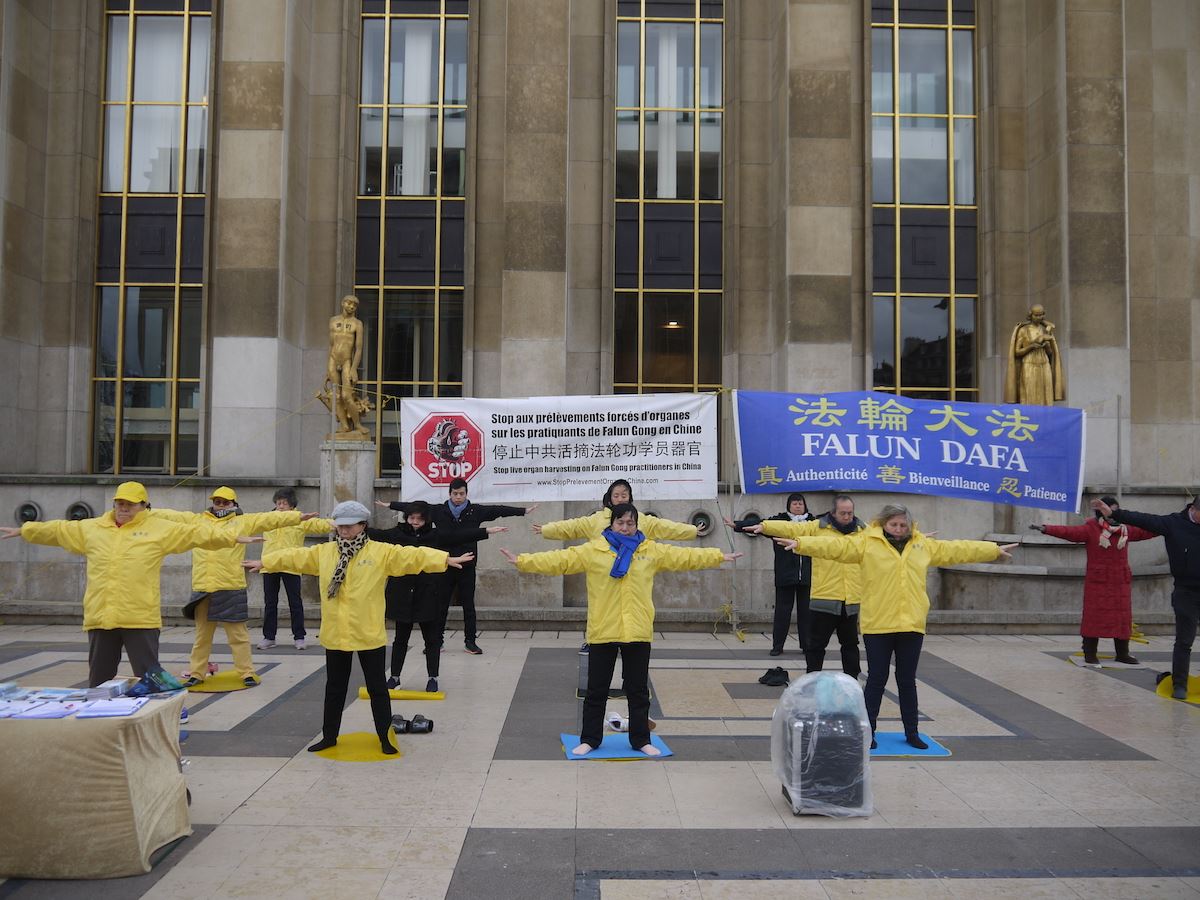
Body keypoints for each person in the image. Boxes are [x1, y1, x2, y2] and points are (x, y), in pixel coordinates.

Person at [501, 503, 742, 756]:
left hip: (637, 630)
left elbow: (684, 557)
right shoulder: (595, 549)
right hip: (603, 629)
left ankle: (641, 740)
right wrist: (523, 561)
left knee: (637, 690)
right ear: (611, 524)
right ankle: (591, 739)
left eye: (630, 523)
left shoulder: (649, 550)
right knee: (597, 690)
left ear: (637, 525)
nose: (625, 528)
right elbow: (561, 560)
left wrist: (718, 556)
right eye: (620, 523)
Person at [777, 503, 1015, 749]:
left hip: (911, 624)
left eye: (903, 525)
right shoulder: (866, 543)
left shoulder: (922, 545)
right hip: (878, 625)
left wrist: (993, 550)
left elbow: (957, 549)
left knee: (907, 680)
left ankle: (912, 732)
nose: (899, 529)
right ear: (883, 523)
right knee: (877, 679)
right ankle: (868, 732)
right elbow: (837, 547)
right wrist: (802, 544)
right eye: (894, 524)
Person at [244, 500, 473, 754]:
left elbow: (411, 555)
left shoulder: (379, 552)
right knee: (334, 688)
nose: (343, 531)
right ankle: (329, 736)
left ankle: (385, 737)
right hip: (336, 632)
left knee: (377, 688)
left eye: (349, 526)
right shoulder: (326, 552)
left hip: (368, 633)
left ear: (363, 526)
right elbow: (297, 556)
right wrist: (267, 562)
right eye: (340, 526)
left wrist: (443, 559)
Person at [0, 482, 237, 687]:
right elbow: (59, 530)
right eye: (120, 503)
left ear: (144, 506)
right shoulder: (93, 528)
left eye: (130, 504)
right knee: (100, 679)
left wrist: (233, 537)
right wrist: (26, 530)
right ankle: (99, 721)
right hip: (101, 617)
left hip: (139, 617)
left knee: (150, 677)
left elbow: (196, 534)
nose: (124, 508)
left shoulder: (159, 529)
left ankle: (163, 717)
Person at [156, 487, 313, 688]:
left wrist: (298, 517)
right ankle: (197, 672)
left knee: (238, 635)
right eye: (218, 501)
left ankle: (246, 672)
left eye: (225, 502)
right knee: (202, 637)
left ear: (234, 504)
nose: (220, 505)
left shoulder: (243, 521)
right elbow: (172, 516)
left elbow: (271, 519)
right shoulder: (198, 520)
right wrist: (147, 509)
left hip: (231, 585)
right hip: (204, 586)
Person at [379, 478, 535, 655]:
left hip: (467, 563)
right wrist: (391, 504)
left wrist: (523, 511)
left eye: (462, 494)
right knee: (440, 604)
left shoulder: (475, 511)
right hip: (444, 563)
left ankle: (470, 641)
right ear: (450, 493)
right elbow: (414, 508)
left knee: (468, 604)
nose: (458, 497)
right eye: (455, 494)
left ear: (466, 493)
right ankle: (437, 641)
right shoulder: (439, 510)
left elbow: (498, 509)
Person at [368, 500, 505, 692]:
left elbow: (458, 535)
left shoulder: (435, 535)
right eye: (411, 518)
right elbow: (376, 534)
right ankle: (395, 676)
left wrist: (486, 531)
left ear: (426, 520)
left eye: (419, 519)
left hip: (428, 593)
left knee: (431, 639)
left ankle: (433, 677)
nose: (415, 522)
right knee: (400, 639)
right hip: (402, 593)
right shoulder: (397, 534)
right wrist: (348, 525)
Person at [741, 495, 865, 677]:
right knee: (815, 646)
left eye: (850, 513)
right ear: (833, 512)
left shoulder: (863, 530)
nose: (847, 517)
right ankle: (811, 680)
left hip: (851, 599)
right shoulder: (818, 526)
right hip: (825, 597)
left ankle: (852, 682)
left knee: (850, 645)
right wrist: (765, 526)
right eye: (843, 513)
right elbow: (793, 527)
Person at [1094, 495, 1200, 701]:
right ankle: (1180, 685)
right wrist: (1114, 514)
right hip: (1186, 592)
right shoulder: (1173, 523)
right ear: (1194, 509)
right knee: (1184, 641)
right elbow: (1144, 519)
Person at [1032, 496, 1157, 666]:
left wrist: (1169, 527)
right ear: (1101, 513)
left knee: (1122, 619)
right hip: (1098, 582)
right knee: (1093, 618)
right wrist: (1046, 528)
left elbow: (1147, 531)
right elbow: (1070, 532)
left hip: (1120, 582)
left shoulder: (1126, 530)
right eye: (1110, 511)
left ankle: (1123, 653)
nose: (1113, 515)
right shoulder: (1091, 528)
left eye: (1115, 511)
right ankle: (1090, 654)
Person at [726, 492, 813, 657]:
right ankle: (778, 646)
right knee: (782, 612)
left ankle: (807, 645)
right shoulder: (779, 521)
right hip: (785, 575)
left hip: (808, 576)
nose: (797, 506)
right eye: (794, 503)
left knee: (806, 613)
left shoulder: (812, 522)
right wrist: (737, 525)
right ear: (788, 506)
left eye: (800, 503)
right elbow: (760, 524)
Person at [255, 488, 333, 650]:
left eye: (284, 503)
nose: (281, 506)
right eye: (278, 503)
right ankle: (269, 637)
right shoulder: (267, 519)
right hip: (269, 565)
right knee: (270, 603)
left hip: (292, 565)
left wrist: (336, 524)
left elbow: (318, 525)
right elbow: (249, 523)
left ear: (292, 505)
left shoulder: (300, 519)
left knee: (295, 602)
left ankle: (299, 637)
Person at [533, 478, 698, 543]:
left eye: (624, 495)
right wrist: (548, 529)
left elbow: (666, 527)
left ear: (630, 497)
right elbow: (572, 527)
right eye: (616, 495)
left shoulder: (642, 519)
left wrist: (692, 530)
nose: (620, 499)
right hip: (604, 580)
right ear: (610, 498)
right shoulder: (596, 520)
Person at [320, 294, 370, 438]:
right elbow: (331, 344)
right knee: (335, 396)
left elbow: (358, 348)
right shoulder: (333, 321)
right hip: (333, 358)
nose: (351, 306)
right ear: (343, 303)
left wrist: (354, 368)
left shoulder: (357, 324)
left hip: (347, 360)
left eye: (354, 305)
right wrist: (328, 371)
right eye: (349, 303)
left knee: (347, 395)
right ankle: (344, 425)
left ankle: (357, 424)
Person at [1004, 303, 1064, 405]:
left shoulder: (1045, 329)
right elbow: (1017, 352)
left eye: (1041, 315)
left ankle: (1046, 418)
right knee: (1029, 394)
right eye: (1036, 315)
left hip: (1044, 363)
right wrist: (1031, 346)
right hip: (1029, 363)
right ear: (1030, 315)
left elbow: (1050, 353)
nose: (1039, 317)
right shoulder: (1023, 330)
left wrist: (1046, 344)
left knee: (1046, 394)